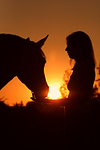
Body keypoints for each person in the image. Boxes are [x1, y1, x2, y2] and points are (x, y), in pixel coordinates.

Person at [64, 31, 95, 149]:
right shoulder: (82, 67)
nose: (66, 49)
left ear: (79, 46)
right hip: (75, 120)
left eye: (70, 45)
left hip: (79, 121)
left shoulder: (86, 66)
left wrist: (52, 102)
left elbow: (78, 100)